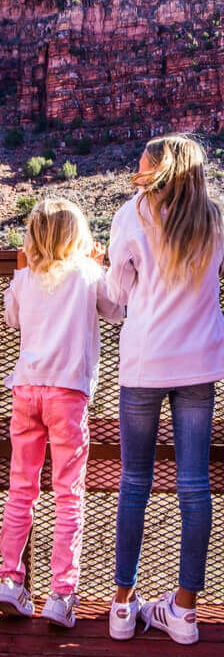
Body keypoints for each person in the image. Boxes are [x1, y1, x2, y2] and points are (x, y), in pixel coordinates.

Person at [106, 133, 224, 645]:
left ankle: (122, 605)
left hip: (144, 363)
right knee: (194, 484)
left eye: (142, 167)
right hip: (199, 362)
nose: (136, 173)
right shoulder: (213, 219)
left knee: (134, 481)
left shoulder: (132, 215)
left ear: (159, 172)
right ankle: (183, 611)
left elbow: (117, 291)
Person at [0, 198, 123, 627]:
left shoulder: (26, 277)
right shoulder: (88, 274)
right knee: (68, 494)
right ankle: (61, 594)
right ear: (79, 236)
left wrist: (19, 271)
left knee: (21, 489)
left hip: (25, 390)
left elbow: (11, 318)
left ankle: (10, 581)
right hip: (67, 394)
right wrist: (100, 265)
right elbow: (116, 310)